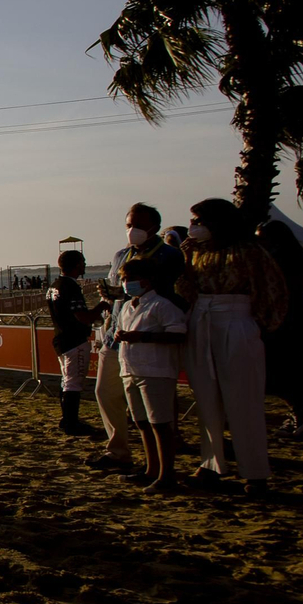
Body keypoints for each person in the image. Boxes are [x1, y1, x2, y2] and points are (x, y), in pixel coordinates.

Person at [175, 198, 289, 495]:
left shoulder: (249, 251)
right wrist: (184, 261)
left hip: (236, 320)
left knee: (244, 400)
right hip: (201, 320)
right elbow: (186, 291)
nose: (194, 227)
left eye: (199, 221)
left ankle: (255, 471)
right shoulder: (196, 254)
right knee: (206, 400)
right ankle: (211, 464)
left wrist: (262, 325)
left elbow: (272, 289)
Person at [90, 202, 183, 471]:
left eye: (139, 226)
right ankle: (118, 450)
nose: (133, 230)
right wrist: (109, 296)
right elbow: (116, 286)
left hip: (149, 336)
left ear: (153, 226)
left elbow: (170, 292)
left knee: (153, 408)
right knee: (105, 393)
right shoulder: (121, 255)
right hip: (115, 333)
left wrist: (132, 293)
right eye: (129, 225)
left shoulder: (169, 255)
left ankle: (159, 462)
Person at [113, 258, 187, 491]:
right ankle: (151, 469)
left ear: (146, 280)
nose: (126, 284)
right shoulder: (127, 306)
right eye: (124, 280)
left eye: (130, 279)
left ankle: (167, 474)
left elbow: (178, 334)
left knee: (161, 424)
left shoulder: (161, 305)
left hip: (155, 370)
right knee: (142, 422)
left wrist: (143, 337)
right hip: (131, 369)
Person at [258, 220, 303, 438]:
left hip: (286, 321)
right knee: (286, 370)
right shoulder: (294, 260)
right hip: (294, 319)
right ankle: (299, 411)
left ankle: (301, 411)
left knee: (279, 371)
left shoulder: (283, 261)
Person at [47, 249, 112, 437]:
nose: (84, 265)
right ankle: (71, 422)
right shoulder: (70, 287)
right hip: (74, 340)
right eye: (83, 262)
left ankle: (67, 419)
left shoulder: (54, 286)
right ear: (76, 265)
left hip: (61, 339)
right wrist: (101, 306)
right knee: (73, 383)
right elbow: (82, 317)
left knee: (66, 380)